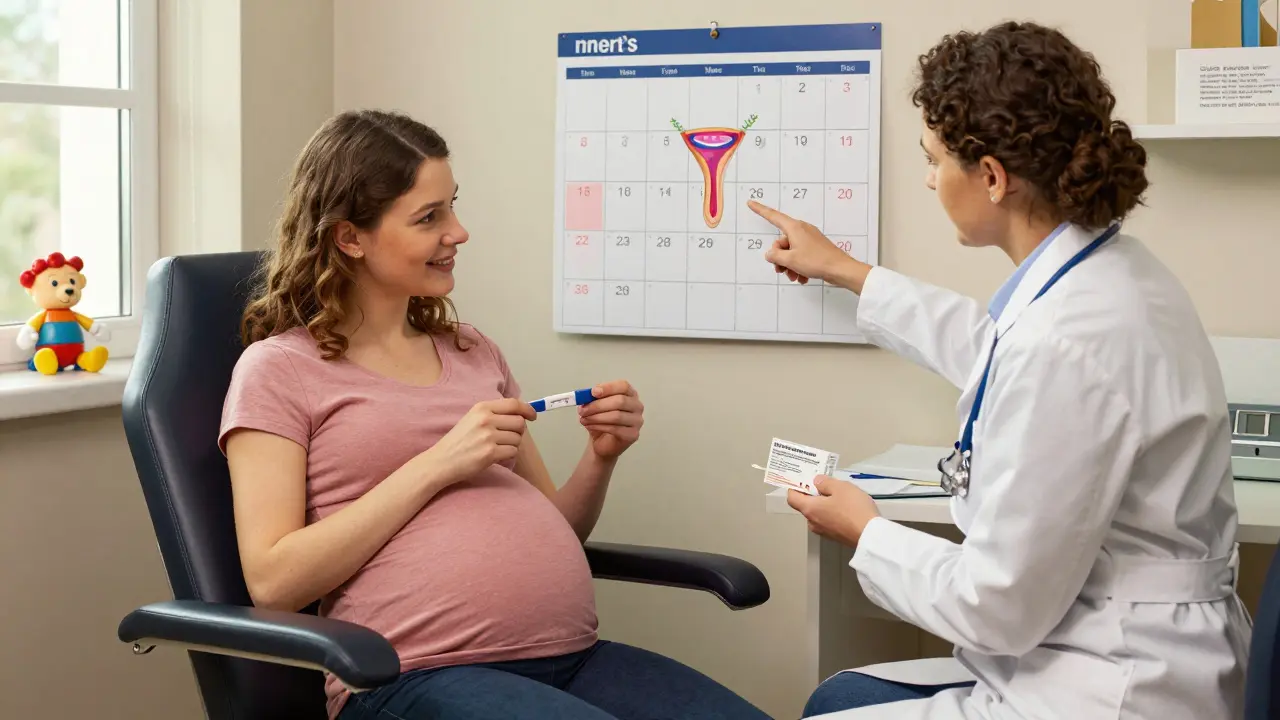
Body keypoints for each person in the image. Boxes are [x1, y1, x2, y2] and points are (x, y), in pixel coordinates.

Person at [747, 21, 1251, 720]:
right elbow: (995, 348)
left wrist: (866, 531)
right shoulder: (1114, 274)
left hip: (1117, 683)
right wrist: (844, 270)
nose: (928, 179)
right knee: (841, 698)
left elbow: (997, 607)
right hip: (1114, 645)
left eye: (934, 159)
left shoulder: (1067, 339)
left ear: (990, 177)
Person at [219, 109, 772, 720]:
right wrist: (438, 464)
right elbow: (273, 583)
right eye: (429, 217)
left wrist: (602, 457)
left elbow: (560, 528)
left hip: (575, 658)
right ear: (350, 237)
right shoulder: (279, 370)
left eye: (452, 206)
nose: (458, 232)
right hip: (413, 676)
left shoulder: (472, 350)